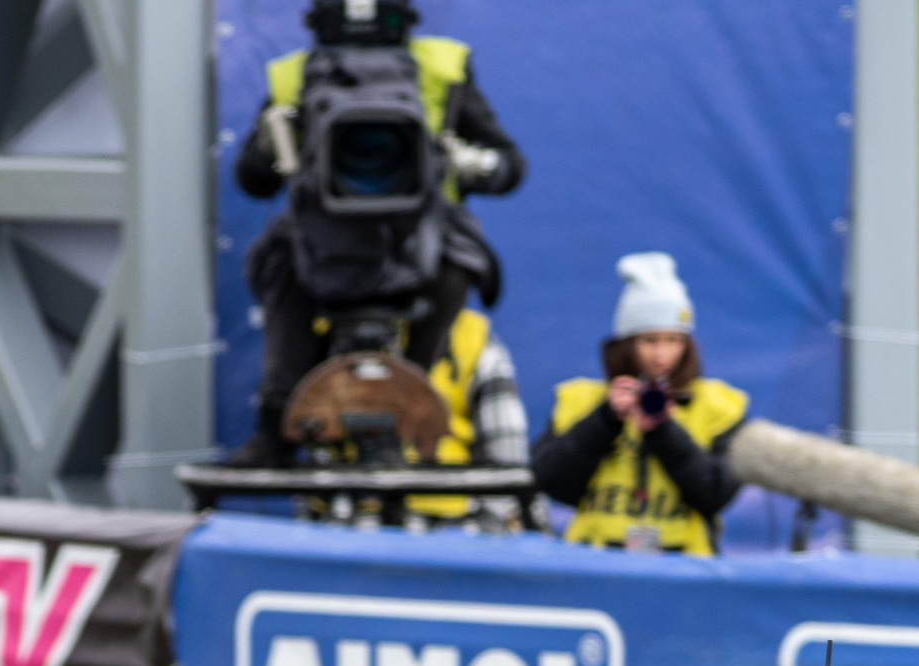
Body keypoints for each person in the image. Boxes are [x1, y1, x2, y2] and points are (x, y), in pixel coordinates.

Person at [229, 0, 526, 466]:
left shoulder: (443, 68)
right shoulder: (293, 78)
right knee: (278, 260)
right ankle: (276, 423)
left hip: (420, 236)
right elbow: (252, 180)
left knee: (462, 258)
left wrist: (475, 165)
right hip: (320, 237)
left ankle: (408, 399)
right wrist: (269, 146)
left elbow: (512, 166)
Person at [532, 254, 749, 556]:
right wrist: (605, 420)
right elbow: (553, 483)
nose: (662, 355)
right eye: (649, 340)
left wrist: (664, 432)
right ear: (627, 343)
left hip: (685, 564)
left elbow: (716, 493)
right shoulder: (580, 401)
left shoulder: (718, 406)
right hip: (594, 561)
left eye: (674, 340)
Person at [410, 306, 533, 529]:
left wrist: (475, 537)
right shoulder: (327, 332)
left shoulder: (470, 339)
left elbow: (508, 470)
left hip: (451, 534)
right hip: (339, 527)